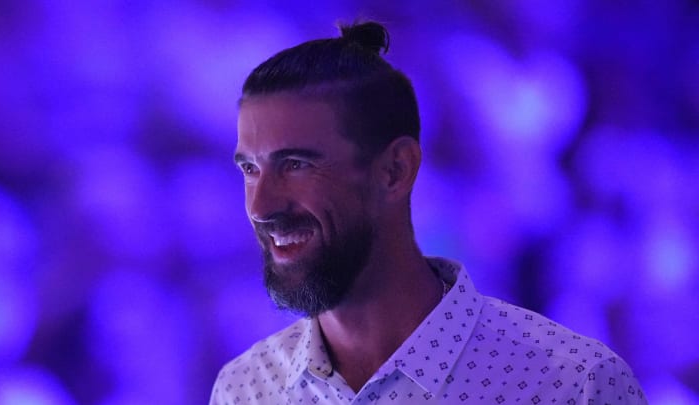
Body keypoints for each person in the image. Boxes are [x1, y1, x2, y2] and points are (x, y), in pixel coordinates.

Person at [210, 21, 647, 404]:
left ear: (396, 168)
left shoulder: (580, 384)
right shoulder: (244, 390)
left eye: (298, 164)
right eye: (249, 169)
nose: (259, 207)